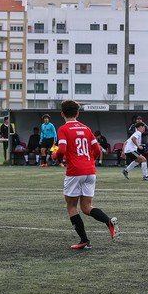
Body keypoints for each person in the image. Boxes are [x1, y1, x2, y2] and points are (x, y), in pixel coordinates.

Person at [52, 99, 119, 250]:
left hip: (75, 171)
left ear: (62, 113)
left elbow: (62, 149)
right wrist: (88, 161)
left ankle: (84, 240)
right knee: (87, 207)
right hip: (90, 170)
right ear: (77, 113)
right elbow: (96, 150)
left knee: (71, 206)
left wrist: (55, 156)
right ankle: (108, 221)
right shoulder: (87, 129)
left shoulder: (63, 129)